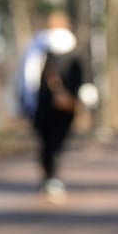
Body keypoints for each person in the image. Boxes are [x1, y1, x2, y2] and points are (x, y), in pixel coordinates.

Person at [17, 11, 88, 204]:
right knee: (57, 141)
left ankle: (50, 175)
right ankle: (52, 175)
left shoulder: (36, 47)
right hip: (66, 106)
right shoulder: (74, 48)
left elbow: (25, 78)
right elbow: (81, 76)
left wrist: (24, 102)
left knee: (46, 143)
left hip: (41, 104)